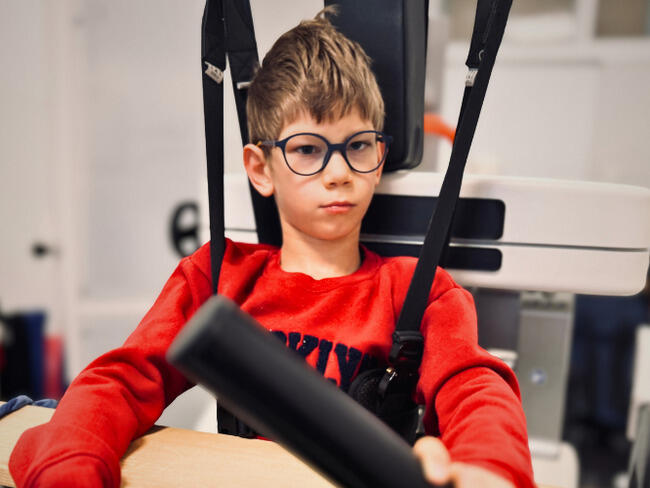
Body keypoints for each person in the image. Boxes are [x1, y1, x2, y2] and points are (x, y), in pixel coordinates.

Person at [9, 10, 534, 488]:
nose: (338, 173)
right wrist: (69, 467)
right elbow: (121, 382)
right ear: (260, 169)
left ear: (379, 157)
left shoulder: (419, 293)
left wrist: (490, 469)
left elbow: (475, 388)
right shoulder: (217, 278)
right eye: (307, 149)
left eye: (358, 146)